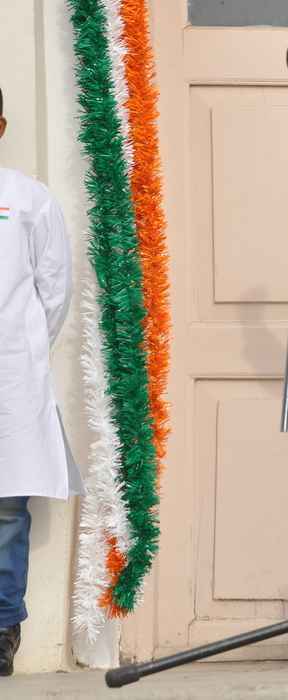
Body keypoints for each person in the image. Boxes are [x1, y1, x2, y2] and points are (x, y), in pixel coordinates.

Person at [0, 86, 81, 677]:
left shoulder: (28, 199)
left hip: (10, 377)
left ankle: (2, 627)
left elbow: (55, 289)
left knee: (5, 510)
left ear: (1, 127)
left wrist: (21, 350)